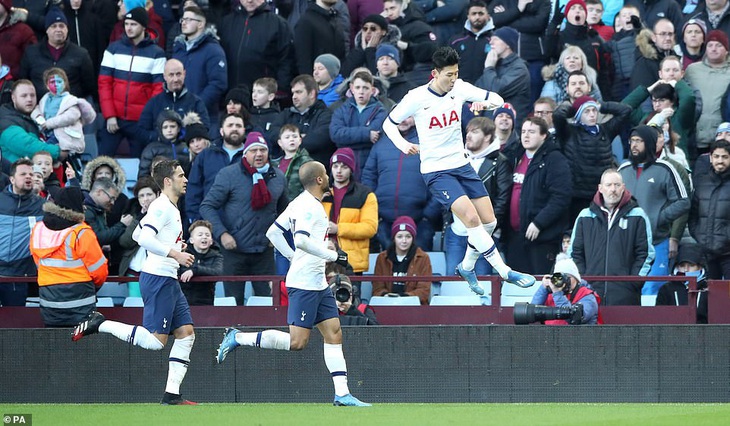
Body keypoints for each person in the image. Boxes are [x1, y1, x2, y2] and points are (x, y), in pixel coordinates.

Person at [382, 46, 536, 295]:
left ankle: (466, 265)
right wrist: (403, 145)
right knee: (471, 219)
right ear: (435, 73)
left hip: (461, 164)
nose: (453, 79)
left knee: (489, 221)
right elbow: (388, 123)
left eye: (455, 73)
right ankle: (505, 271)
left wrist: (482, 103)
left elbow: (497, 100)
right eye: (448, 75)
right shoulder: (417, 97)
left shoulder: (461, 88)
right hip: (436, 170)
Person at [218, 161, 371, 407]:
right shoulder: (310, 208)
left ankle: (342, 394)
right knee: (297, 342)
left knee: (334, 332)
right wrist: (332, 255)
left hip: (317, 282)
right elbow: (301, 240)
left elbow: (273, 233)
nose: (330, 177)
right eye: (326, 174)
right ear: (320, 179)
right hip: (304, 284)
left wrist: (291, 257)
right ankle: (238, 337)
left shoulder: (299, 202)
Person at [72, 160, 198, 406]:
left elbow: (140, 234)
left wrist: (173, 246)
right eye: (181, 176)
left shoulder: (167, 206)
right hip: (159, 277)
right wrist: (175, 254)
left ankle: (172, 395)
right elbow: (146, 239)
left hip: (167, 278)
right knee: (154, 342)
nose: (186, 180)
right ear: (167, 181)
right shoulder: (163, 207)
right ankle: (101, 324)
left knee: (186, 334)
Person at [199, 132, 288, 301]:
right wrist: (222, 233)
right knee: (233, 303)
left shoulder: (278, 177)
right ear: (245, 153)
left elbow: (286, 211)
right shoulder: (228, 175)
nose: (259, 154)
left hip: (264, 251)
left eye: (263, 150)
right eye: (254, 150)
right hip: (233, 250)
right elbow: (207, 206)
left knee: (268, 302)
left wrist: (277, 235)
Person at [618, 125, 690, 294]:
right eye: (632, 141)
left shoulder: (665, 169)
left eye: (639, 141)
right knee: (626, 290)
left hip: (657, 242)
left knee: (653, 289)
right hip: (626, 243)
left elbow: (683, 201)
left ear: (649, 143)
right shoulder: (623, 170)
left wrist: (658, 218)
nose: (634, 145)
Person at [569, 168, 654, 306]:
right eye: (609, 185)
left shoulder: (638, 215)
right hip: (589, 296)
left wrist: (633, 282)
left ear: (623, 188)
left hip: (626, 297)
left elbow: (645, 253)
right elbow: (574, 253)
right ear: (600, 188)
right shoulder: (584, 216)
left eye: (617, 185)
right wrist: (583, 283)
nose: (613, 189)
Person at [504, 116, 573, 276]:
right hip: (514, 237)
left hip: (542, 238)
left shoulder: (554, 159)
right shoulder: (514, 156)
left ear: (544, 135)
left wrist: (538, 223)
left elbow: (561, 197)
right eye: (523, 131)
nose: (526, 136)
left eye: (532, 132)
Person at [30, 186, 108, 327]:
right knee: (82, 345)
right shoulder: (81, 232)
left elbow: (38, 263)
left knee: (54, 343)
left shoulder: (38, 229)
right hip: (81, 301)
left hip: (49, 302)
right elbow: (99, 270)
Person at [443, 116, 511, 276]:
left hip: (482, 235)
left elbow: (502, 199)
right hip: (456, 233)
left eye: (474, 132)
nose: (468, 136)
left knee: (483, 286)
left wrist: (488, 228)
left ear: (487, 136)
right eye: (467, 132)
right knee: (452, 286)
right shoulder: (456, 159)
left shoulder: (500, 162)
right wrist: (448, 221)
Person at [97, 7, 165, 157]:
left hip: (141, 122)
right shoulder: (112, 49)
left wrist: (147, 119)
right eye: (126, 24)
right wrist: (109, 115)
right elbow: (104, 84)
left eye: (133, 24)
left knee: (141, 166)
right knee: (101, 162)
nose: (128, 28)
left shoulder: (157, 53)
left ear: (143, 26)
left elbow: (158, 89)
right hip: (115, 118)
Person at [322, 148, 378, 275]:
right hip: (323, 261)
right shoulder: (321, 193)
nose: (339, 170)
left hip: (352, 263)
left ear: (352, 169)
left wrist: (338, 229)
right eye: (335, 166)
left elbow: (370, 228)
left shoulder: (365, 194)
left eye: (344, 167)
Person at [172, 5, 227, 130]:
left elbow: (218, 84)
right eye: (183, 19)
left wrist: (196, 105)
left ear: (201, 24)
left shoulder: (213, 50)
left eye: (189, 20)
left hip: (204, 118)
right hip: (177, 116)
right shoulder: (178, 48)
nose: (184, 23)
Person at [137, 58, 210, 149]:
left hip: (187, 153)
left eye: (178, 74)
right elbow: (141, 131)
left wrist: (182, 138)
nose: (175, 79)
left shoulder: (196, 102)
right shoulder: (154, 102)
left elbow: (205, 128)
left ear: (184, 74)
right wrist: (161, 137)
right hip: (159, 152)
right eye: (171, 75)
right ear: (164, 76)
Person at [0, 158, 45, 306]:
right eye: (23, 174)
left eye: (31, 174)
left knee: (14, 324)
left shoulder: (42, 206)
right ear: (12, 179)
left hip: (19, 274)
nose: (28, 177)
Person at [186, 112, 246, 222]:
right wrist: (197, 220)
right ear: (221, 131)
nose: (234, 129)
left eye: (238, 126)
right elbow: (193, 191)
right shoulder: (206, 155)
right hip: (210, 223)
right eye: (230, 125)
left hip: (244, 225)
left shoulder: (251, 155)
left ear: (244, 130)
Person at [329, 70, 387, 174]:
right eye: (358, 87)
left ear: (372, 90)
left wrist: (348, 138)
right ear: (351, 88)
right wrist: (366, 134)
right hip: (345, 164)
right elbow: (336, 135)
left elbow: (377, 136)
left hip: (370, 163)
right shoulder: (341, 110)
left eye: (365, 88)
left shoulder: (380, 111)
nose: (361, 91)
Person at [30, 67, 96, 156]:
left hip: (64, 136)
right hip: (46, 134)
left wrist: (50, 123)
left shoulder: (70, 100)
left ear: (65, 84)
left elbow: (72, 116)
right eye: (52, 82)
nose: (56, 85)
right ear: (47, 85)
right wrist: (38, 117)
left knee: (48, 152)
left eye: (59, 82)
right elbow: (37, 109)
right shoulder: (44, 99)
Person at [689, 139, 730, 280]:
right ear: (711, 158)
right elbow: (693, 215)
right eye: (717, 156)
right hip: (706, 252)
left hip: (728, 253)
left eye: (725, 157)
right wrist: (699, 235)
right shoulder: (702, 182)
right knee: (710, 297)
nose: (720, 161)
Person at [475, 26, 532, 127]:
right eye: (491, 40)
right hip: (488, 125)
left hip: (509, 128)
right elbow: (478, 90)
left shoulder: (519, 69)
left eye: (495, 40)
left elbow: (496, 90)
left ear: (507, 44)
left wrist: (489, 68)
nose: (491, 43)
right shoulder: (494, 64)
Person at [0, 80, 67, 163]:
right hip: (17, 172)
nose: (29, 99)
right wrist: (58, 152)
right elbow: (27, 146)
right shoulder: (6, 119)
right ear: (13, 98)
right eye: (24, 96)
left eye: (32, 95)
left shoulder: (35, 115)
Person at [372, 215, 432, 305]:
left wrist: (403, 297)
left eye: (408, 236)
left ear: (413, 238)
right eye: (399, 236)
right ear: (394, 238)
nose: (404, 241)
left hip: (413, 307)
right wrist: (386, 296)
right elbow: (377, 288)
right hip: (387, 305)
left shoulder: (423, 258)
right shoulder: (382, 258)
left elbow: (424, 290)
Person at [530, 257, 600, 324]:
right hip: (550, 334)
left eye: (567, 277)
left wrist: (558, 294)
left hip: (578, 335)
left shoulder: (588, 296)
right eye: (559, 278)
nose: (563, 281)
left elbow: (574, 318)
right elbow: (532, 313)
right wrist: (544, 288)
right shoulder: (552, 293)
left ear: (576, 278)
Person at [656, 242, 708, 323]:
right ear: (676, 266)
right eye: (682, 265)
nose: (686, 269)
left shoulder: (709, 290)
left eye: (691, 265)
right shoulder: (666, 289)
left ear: (700, 266)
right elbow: (659, 319)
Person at [179, 219, 223, 305]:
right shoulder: (184, 254)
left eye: (207, 235)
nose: (204, 237)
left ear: (211, 241)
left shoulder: (217, 256)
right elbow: (180, 270)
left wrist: (194, 271)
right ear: (191, 240)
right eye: (200, 235)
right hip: (183, 302)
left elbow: (218, 272)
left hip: (206, 303)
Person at [139, 110, 190, 178]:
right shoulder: (151, 149)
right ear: (160, 130)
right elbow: (143, 175)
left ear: (179, 128)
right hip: (157, 187)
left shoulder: (187, 147)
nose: (169, 130)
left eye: (172, 126)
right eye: (165, 127)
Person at [272, 124, 314, 201]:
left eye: (294, 136)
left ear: (300, 140)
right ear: (280, 143)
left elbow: (312, 187)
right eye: (287, 137)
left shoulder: (306, 161)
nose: (291, 139)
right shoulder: (274, 164)